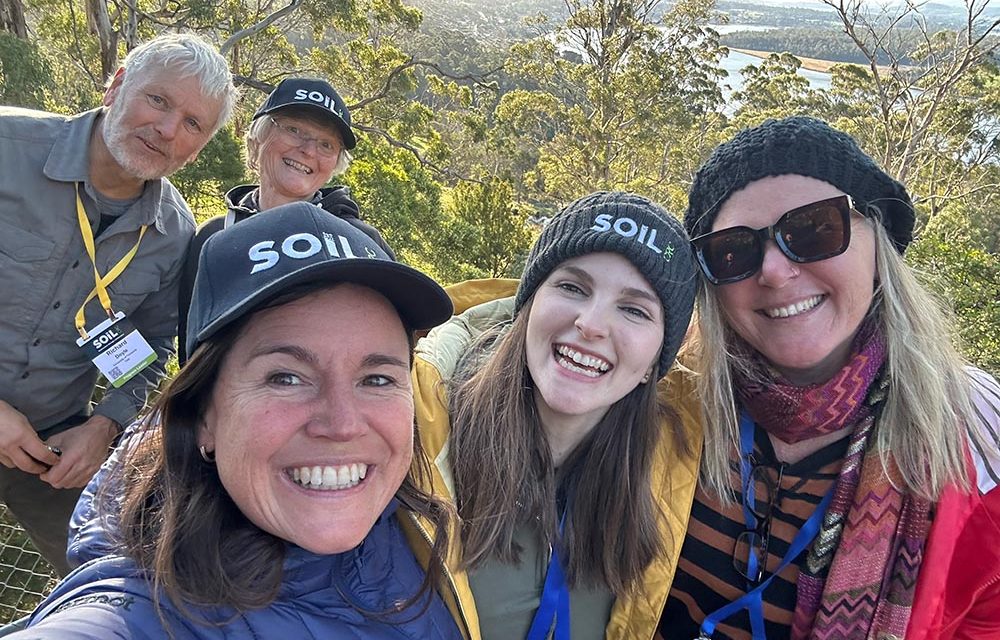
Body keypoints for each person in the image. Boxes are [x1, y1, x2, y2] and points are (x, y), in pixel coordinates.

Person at [8, 202, 463, 638]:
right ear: (204, 415)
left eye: (378, 379)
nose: (343, 424)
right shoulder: (141, 607)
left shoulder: (422, 515)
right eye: (286, 377)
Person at [659, 116, 1000, 639]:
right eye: (735, 250)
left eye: (814, 230)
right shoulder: (656, 400)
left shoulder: (981, 445)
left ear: (879, 247)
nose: (773, 270)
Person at [409, 191, 703, 639]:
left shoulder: (665, 473)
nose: (592, 323)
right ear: (527, 307)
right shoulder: (418, 436)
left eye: (633, 309)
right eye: (572, 287)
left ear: (654, 363)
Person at [0, 33, 236, 575]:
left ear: (199, 148)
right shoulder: (9, 145)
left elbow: (151, 348)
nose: (168, 129)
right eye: (158, 100)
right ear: (117, 85)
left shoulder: (175, 236)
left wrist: (104, 425)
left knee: (121, 574)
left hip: (48, 442)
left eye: (193, 124)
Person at [176, 76, 392, 364]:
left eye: (327, 144)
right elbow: (191, 354)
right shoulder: (214, 237)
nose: (309, 150)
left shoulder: (359, 243)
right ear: (259, 136)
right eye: (294, 129)